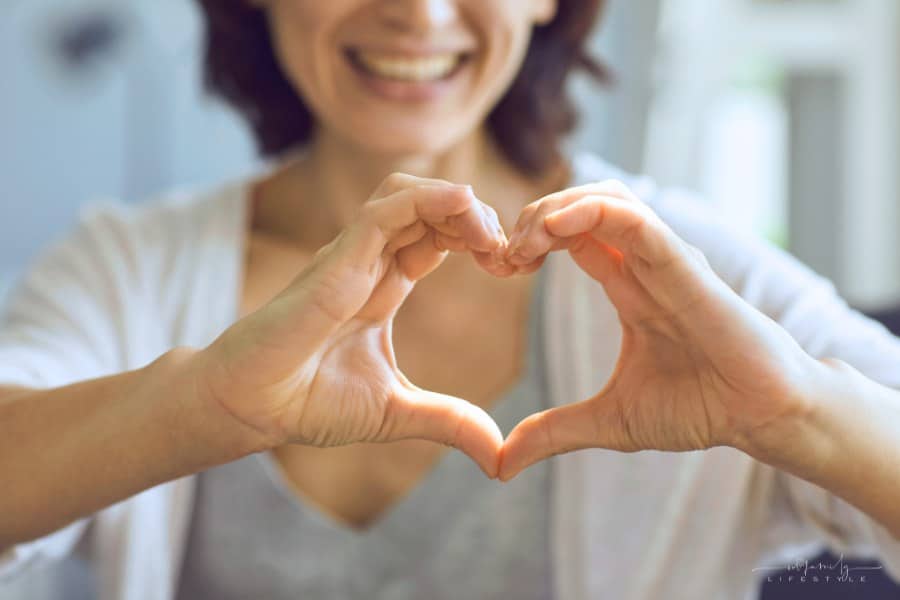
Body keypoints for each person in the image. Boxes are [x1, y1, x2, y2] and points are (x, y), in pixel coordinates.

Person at [1, 1, 899, 598]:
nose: (418, 12)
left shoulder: (692, 271)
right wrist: (197, 407)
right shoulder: (129, 268)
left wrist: (793, 409)